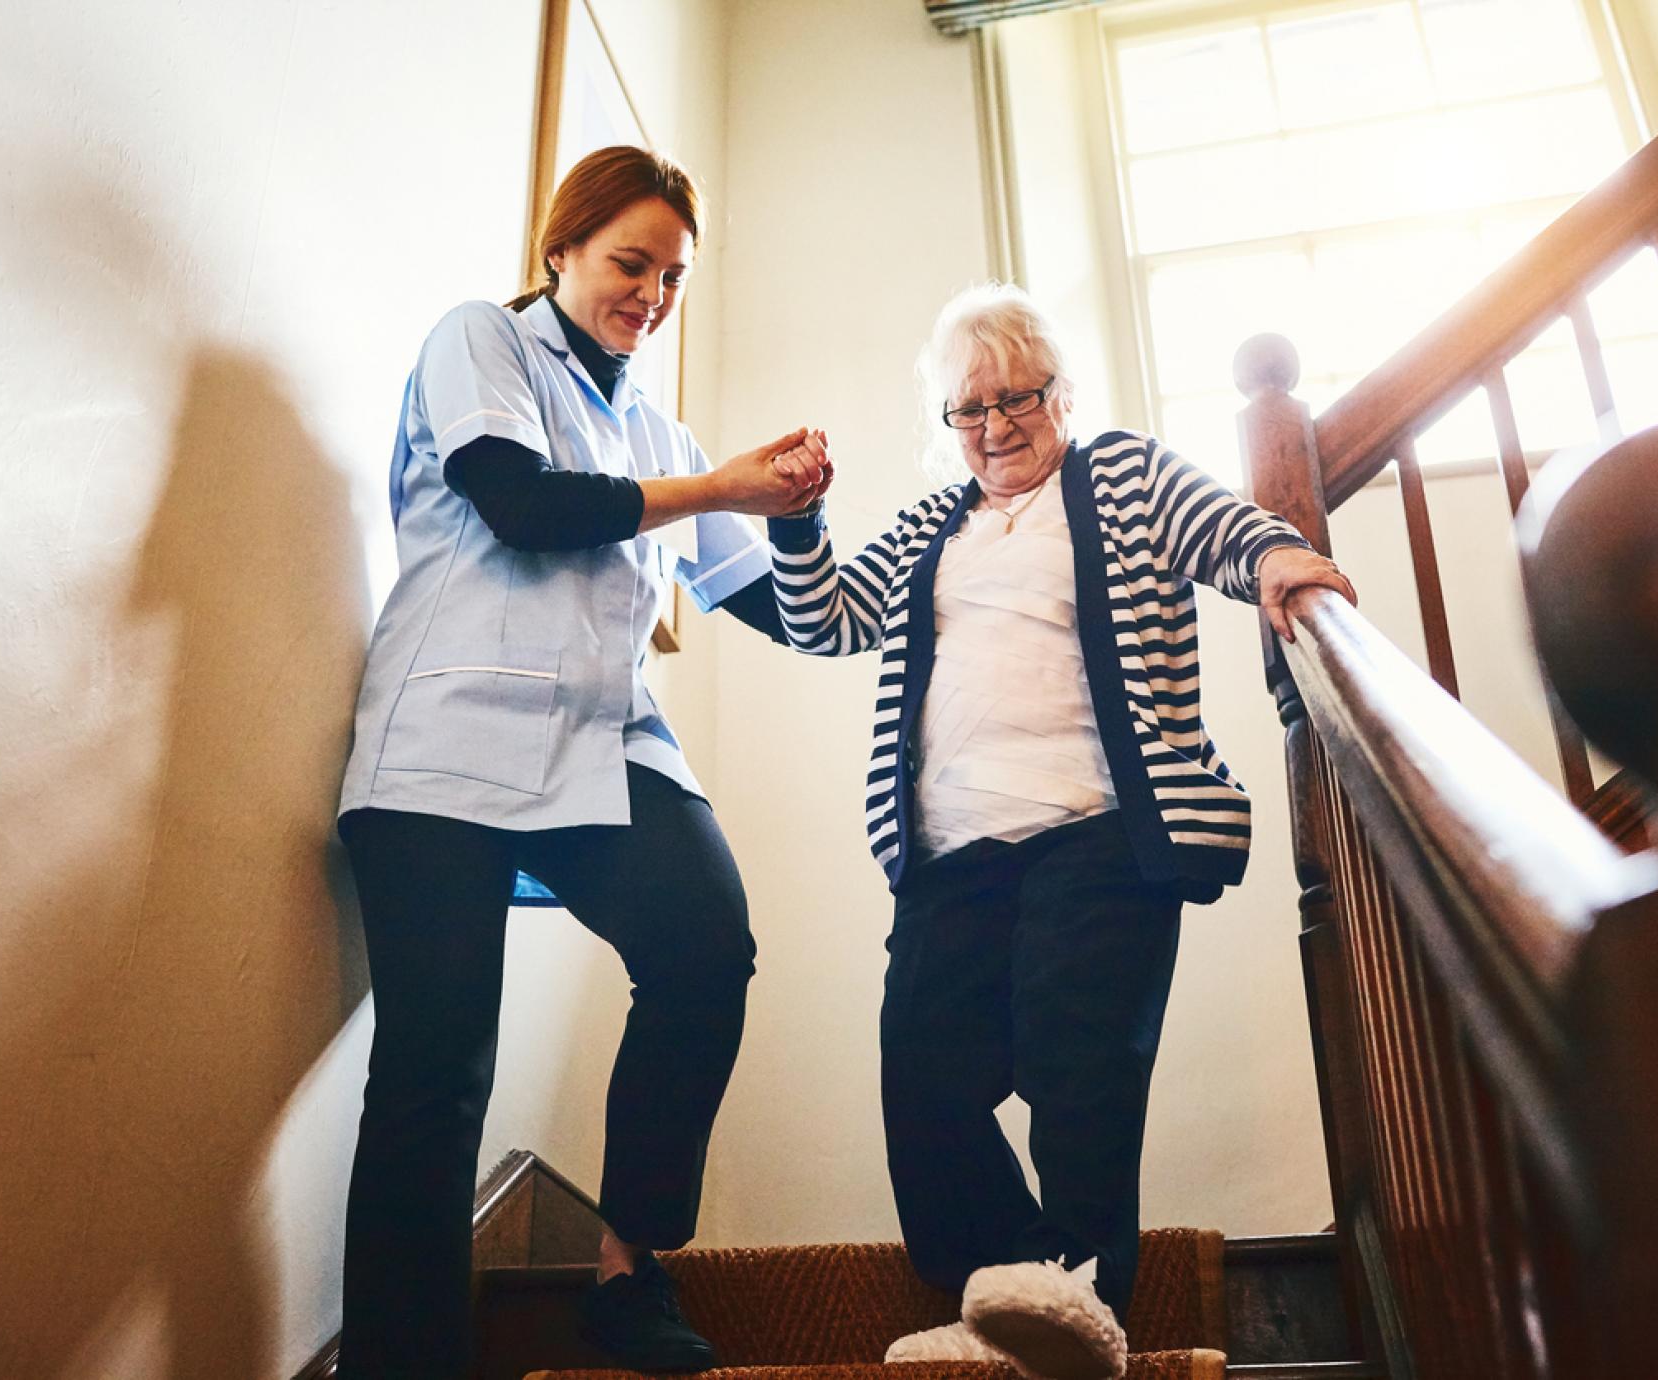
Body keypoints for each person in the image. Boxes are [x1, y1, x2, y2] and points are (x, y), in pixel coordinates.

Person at [765, 284, 1355, 1377]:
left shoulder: (1120, 473)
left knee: (1074, 1061)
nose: (992, 425)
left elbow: (1218, 526)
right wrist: (797, 521)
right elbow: (822, 621)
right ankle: (1008, 1299)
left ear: (1061, 393)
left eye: (1016, 397)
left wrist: (1276, 561)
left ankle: (1079, 1293)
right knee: (921, 1073)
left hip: (1097, 831)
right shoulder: (930, 526)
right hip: (949, 852)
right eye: (967, 409)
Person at [333, 145, 832, 1380]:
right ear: (561, 249)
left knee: (707, 947)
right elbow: (519, 500)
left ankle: (625, 1274)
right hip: (443, 748)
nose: (650, 294)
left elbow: (774, 606)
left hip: (606, 742)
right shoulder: (482, 342)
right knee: (435, 1073)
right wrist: (716, 485)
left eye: (670, 275)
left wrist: (800, 505)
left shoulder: (659, 425)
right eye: (629, 263)